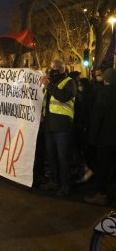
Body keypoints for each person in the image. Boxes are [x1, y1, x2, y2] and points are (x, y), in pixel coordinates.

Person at [40, 59, 77, 196]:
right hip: (49, 125)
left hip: (62, 126)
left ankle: (65, 185)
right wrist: (42, 114)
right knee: (51, 156)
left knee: (62, 157)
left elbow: (64, 96)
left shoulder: (69, 82)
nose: (52, 70)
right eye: (51, 67)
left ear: (61, 69)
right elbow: (46, 102)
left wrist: (49, 85)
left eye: (54, 68)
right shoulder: (52, 83)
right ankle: (53, 181)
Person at [84, 68, 116, 205]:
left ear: (106, 79)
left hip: (105, 138)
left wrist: (92, 138)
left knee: (103, 167)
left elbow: (97, 117)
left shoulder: (103, 93)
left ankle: (102, 194)